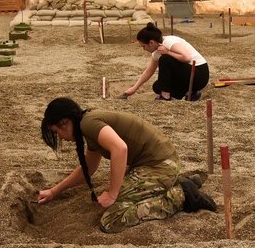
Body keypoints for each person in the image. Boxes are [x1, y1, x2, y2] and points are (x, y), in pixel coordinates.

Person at [37, 97, 216, 233]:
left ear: (65, 122)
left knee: (112, 220)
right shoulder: (88, 124)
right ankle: (178, 183)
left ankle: (181, 195)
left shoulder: (88, 123)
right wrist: (54, 191)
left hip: (159, 165)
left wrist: (113, 194)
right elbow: (89, 169)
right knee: (121, 199)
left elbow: (120, 149)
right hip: (154, 164)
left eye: (57, 132)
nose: (60, 137)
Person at [122, 23, 209, 101]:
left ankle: (165, 97)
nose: (144, 49)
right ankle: (192, 94)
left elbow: (187, 58)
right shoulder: (157, 51)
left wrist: (168, 52)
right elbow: (149, 71)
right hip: (186, 77)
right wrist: (134, 88)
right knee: (157, 86)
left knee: (165, 59)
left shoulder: (168, 42)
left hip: (199, 74)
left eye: (144, 46)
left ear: (151, 43)